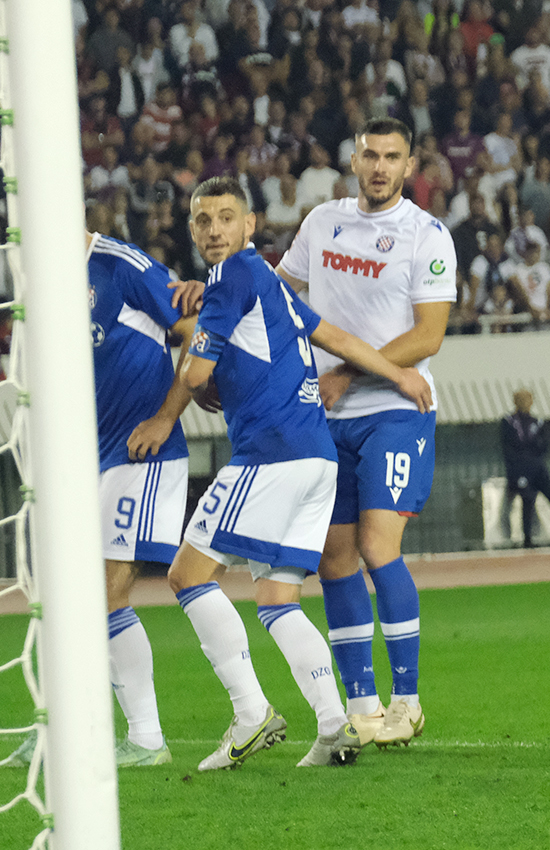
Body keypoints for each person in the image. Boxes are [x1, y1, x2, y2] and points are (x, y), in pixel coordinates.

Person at [172, 177, 432, 772]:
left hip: (272, 453)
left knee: (187, 576)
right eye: (203, 219)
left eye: (225, 217)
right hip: (317, 455)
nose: (214, 229)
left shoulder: (231, 277)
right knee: (277, 597)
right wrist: (399, 374)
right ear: (193, 229)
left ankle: (250, 713)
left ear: (249, 225)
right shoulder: (266, 278)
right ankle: (337, 725)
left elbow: (193, 377)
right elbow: (335, 337)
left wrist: (186, 336)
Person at [277, 119, 456, 750]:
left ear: (410, 167)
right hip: (327, 418)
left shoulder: (427, 236)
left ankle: (406, 699)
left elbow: (427, 336)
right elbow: (279, 289)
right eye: (370, 155)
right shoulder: (322, 222)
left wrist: (348, 373)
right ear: (353, 160)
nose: (380, 167)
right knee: (335, 558)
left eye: (393, 158)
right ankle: (363, 705)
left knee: (379, 548)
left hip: (394, 413)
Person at [2, 233, 199, 771]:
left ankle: (147, 738)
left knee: (106, 594)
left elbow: (197, 330)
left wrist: (166, 416)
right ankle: (64, 731)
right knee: (67, 600)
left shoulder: (121, 266)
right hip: (85, 462)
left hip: (142, 456)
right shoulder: (35, 281)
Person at [502, 390, 550, 547]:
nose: (525, 402)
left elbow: (542, 444)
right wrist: (514, 474)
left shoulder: (536, 422)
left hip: (538, 467)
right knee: (527, 501)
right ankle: (527, 539)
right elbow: (509, 449)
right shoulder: (509, 422)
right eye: (521, 399)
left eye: (527, 399)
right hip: (521, 468)